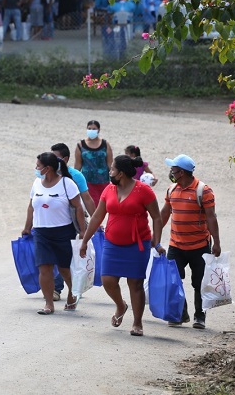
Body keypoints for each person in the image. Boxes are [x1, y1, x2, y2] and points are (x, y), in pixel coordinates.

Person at [79, 155, 164, 336]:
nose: (110, 172)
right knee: (107, 280)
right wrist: (85, 240)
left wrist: (157, 241)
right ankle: (120, 306)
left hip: (137, 245)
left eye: (112, 170)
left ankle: (137, 323)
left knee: (135, 283)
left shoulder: (144, 191)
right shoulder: (109, 189)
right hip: (112, 244)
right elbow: (96, 217)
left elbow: (157, 217)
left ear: (121, 173)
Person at [161, 154, 221, 329]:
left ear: (182, 172)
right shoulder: (171, 190)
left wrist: (216, 242)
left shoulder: (204, 191)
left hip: (199, 246)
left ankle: (199, 316)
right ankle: (180, 313)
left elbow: (211, 218)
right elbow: (164, 214)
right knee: (173, 280)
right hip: (176, 245)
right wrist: (154, 236)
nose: (171, 172)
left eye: (173, 169)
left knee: (199, 282)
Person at [22, 152, 87, 315]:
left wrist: (83, 230)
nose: (36, 169)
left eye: (38, 166)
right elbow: (31, 206)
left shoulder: (67, 183)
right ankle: (49, 303)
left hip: (63, 231)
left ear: (48, 168)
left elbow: (78, 207)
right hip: (41, 232)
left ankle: (73, 293)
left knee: (64, 268)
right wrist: (27, 227)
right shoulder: (36, 183)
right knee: (44, 268)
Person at [50, 142, 96, 301]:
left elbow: (87, 199)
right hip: (52, 222)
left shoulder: (75, 176)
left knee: (69, 256)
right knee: (56, 255)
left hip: (74, 222)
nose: (51, 161)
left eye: (55, 158)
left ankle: (65, 287)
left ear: (66, 158)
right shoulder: (47, 174)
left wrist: (96, 221)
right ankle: (64, 287)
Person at [74, 120, 114, 205]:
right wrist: (74, 179)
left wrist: (114, 178)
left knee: (104, 205)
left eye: (94, 129)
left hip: (103, 181)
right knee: (92, 205)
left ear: (99, 130)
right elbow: (78, 164)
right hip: (87, 182)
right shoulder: (80, 145)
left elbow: (110, 163)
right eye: (89, 128)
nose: (91, 130)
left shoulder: (105, 144)